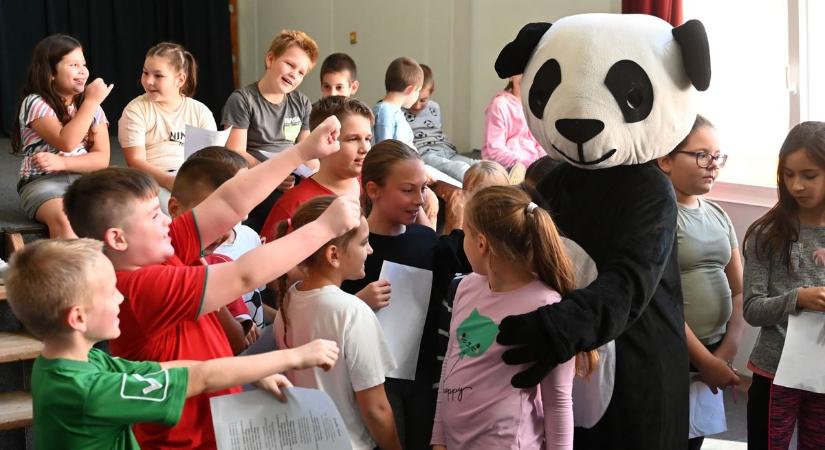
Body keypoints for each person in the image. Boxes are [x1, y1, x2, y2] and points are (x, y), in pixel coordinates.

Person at [63, 116, 359, 449]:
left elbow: (229, 201)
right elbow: (243, 275)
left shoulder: (155, 249)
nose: (165, 219)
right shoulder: (137, 285)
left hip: (220, 428)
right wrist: (324, 228)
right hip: (187, 442)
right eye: (152, 216)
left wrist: (304, 150)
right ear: (118, 239)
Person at [4, 238, 339, 450]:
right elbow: (200, 378)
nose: (122, 296)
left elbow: (173, 368)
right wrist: (294, 357)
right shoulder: (87, 388)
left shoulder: (77, 363)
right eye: (110, 292)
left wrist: (248, 373)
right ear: (77, 318)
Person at [432, 185, 597, 450]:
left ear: (481, 243)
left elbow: (558, 401)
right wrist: (439, 440)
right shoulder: (465, 287)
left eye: (465, 232)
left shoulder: (546, 306)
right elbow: (452, 365)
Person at [340, 139, 470, 449]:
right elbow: (324, 313)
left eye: (423, 189)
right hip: (376, 381)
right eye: (408, 190)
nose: (419, 200)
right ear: (373, 190)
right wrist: (359, 303)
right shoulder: (353, 248)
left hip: (425, 374)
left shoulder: (426, 240)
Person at [273, 196, 400, 450]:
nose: (370, 250)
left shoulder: (288, 301)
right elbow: (375, 408)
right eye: (363, 242)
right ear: (333, 254)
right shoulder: (352, 312)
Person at [656, 115, 743, 449]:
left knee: (695, 437)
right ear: (665, 159)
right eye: (702, 155)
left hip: (717, 348)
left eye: (717, 156)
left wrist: (728, 348)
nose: (713, 166)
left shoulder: (718, 214)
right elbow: (660, 302)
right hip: (675, 350)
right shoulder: (660, 217)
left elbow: (739, 290)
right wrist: (706, 362)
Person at [742, 121, 825, 450]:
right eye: (788, 174)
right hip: (774, 372)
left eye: (809, 175)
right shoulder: (767, 233)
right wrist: (798, 299)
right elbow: (752, 308)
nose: (797, 185)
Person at [10, 34, 111, 238]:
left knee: (117, 215)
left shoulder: (91, 106)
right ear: (51, 73)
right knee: (66, 220)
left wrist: (62, 163)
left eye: (83, 64)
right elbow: (67, 141)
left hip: (84, 182)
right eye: (73, 64)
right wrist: (91, 103)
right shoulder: (35, 102)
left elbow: (101, 159)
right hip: (42, 183)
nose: (83, 71)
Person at [221, 29, 319, 232]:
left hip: (291, 179)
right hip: (255, 180)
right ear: (270, 59)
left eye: (301, 72)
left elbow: (307, 150)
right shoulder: (243, 100)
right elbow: (234, 152)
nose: (294, 74)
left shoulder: (301, 103)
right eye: (290, 64)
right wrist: (274, 173)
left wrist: (316, 167)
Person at [118, 42, 216, 215]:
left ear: (180, 79)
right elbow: (135, 161)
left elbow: (210, 159)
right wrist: (170, 181)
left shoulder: (200, 111)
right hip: (154, 181)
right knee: (176, 211)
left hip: (192, 178)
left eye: (158, 76)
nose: (148, 81)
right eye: (145, 73)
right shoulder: (135, 110)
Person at [260, 96, 373, 241]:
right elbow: (269, 259)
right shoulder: (295, 203)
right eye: (353, 139)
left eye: (368, 139)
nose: (365, 148)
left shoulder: (372, 186)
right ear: (325, 140)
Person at [404, 64, 475, 181]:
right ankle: (480, 182)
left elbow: (437, 133)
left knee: (475, 164)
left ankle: (502, 177)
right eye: (415, 100)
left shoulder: (434, 107)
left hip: (445, 150)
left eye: (423, 100)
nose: (417, 106)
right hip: (424, 155)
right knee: (457, 168)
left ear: (431, 92)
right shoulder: (400, 111)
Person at [481, 74, 544, 170]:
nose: (524, 76)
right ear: (510, 77)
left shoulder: (535, 106)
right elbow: (495, 151)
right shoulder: (500, 104)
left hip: (532, 166)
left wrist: (543, 164)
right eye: (520, 71)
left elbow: (540, 145)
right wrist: (527, 164)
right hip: (503, 167)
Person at [373, 57, 423, 148]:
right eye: (418, 91)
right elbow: (383, 150)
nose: (418, 95)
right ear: (410, 90)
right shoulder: (385, 112)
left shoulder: (395, 111)